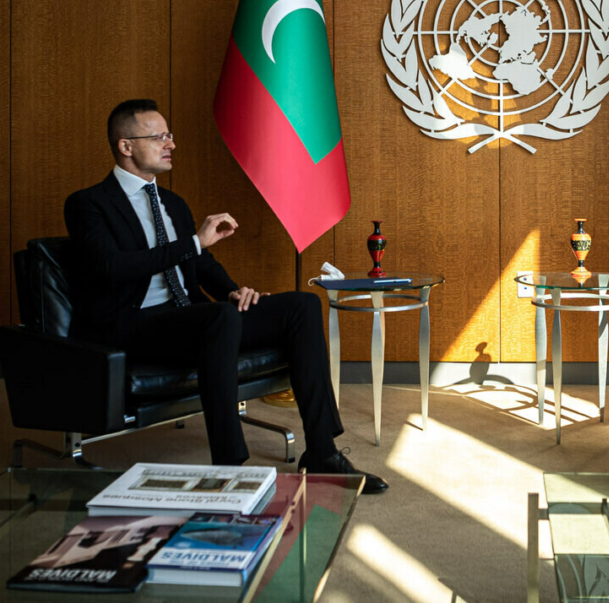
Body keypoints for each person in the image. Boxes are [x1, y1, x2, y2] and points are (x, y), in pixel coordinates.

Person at [64, 99, 388, 493]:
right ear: (125, 146)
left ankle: (322, 452)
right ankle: (232, 467)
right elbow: (112, 269)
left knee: (300, 306)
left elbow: (201, 264)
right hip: (135, 326)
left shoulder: (172, 203)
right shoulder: (88, 204)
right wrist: (193, 243)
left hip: (195, 318)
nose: (171, 144)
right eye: (158, 136)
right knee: (219, 317)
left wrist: (234, 291)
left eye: (170, 135)